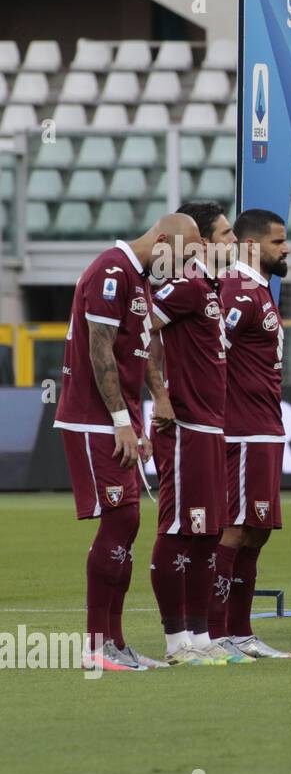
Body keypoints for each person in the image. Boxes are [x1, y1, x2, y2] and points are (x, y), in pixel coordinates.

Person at [53, 215, 195, 671]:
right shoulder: (111, 271)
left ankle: (114, 642)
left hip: (116, 419)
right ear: (162, 240)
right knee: (121, 519)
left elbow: (141, 349)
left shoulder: (138, 278)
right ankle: (96, 646)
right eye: (182, 255)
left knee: (128, 521)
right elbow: (100, 350)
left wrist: (146, 410)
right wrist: (120, 422)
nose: (182, 267)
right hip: (92, 419)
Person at [148, 203, 249, 665]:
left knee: (209, 531)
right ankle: (175, 641)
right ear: (204, 244)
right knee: (178, 528)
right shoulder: (185, 285)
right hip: (186, 424)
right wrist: (161, 395)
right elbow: (143, 328)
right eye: (227, 234)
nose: (235, 242)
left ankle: (202, 636)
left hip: (212, 424)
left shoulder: (209, 288)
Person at [210, 208, 291, 659]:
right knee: (235, 529)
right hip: (241, 430)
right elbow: (209, 354)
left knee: (257, 530)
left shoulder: (259, 291)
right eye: (278, 242)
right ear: (250, 246)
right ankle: (216, 632)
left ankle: (240, 632)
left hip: (264, 428)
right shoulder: (238, 292)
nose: (286, 250)